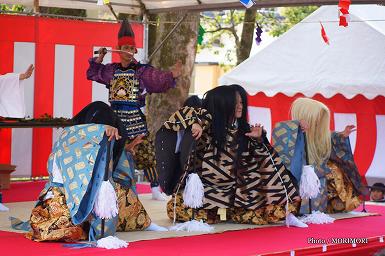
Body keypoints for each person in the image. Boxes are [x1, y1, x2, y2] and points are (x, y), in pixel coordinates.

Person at [157, 86, 306, 227]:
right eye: (236, 103)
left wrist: (259, 140)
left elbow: (263, 166)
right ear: (224, 104)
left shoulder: (245, 131)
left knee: (263, 213)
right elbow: (182, 115)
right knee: (177, 208)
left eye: (241, 102)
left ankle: (230, 212)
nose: (240, 106)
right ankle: (217, 213)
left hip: (237, 194)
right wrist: (194, 123)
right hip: (207, 191)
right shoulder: (204, 127)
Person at [26, 102, 166, 243]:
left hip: (86, 196)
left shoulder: (98, 138)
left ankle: (142, 223)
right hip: (62, 199)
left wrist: (126, 150)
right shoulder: (69, 135)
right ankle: (90, 228)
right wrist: (101, 129)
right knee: (65, 226)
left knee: (121, 191)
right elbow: (83, 139)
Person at [86, 20, 182, 201]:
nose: (128, 50)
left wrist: (171, 75)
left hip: (135, 119)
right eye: (125, 47)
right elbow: (93, 73)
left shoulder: (141, 71)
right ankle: (114, 188)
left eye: (132, 47)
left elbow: (158, 79)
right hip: (115, 121)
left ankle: (155, 189)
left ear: (135, 50)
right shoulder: (111, 71)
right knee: (114, 154)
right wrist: (99, 58)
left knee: (147, 154)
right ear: (118, 48)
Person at [272, 98, 363, 214]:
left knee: (332, 172)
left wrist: (341, 136)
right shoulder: (290, 129)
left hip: (319, 179)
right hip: (299, 177)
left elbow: (330, 138)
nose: (319, 122)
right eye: (317, 118)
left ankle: (317, 211)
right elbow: (280, 135)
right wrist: (296, 125)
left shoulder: (321, 136)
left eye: (321, 119)